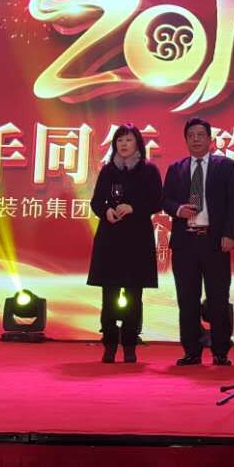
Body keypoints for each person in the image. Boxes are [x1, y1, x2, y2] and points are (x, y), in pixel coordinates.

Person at [162, 117, 234, 366]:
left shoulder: (225, 166)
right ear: (186, 140)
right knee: (187, 299)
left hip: (215, 242)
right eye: (191, 136)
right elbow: (166, 199)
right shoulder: (176, 168)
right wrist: (178, 209)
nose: (196, 139)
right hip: (185, 243)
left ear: (210, 139)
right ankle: (192, 350)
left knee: (218, 299)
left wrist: (229, 234)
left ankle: (221, 351)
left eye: (200, 135)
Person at [87, 124, 163, 363]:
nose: (123, 144)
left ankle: (130, 344)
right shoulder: (108, 170)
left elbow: (157, 202)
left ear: (138, 143)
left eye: (128, 140)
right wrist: (106, 211)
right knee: (109, 295)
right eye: (120, 140)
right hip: (110, 239)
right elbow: (96, 202)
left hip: (137, 239)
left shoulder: (149, 170)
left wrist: (133, 208)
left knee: (133, 295)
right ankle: (109, 344)